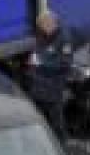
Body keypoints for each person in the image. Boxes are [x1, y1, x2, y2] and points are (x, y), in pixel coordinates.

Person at [27, 10, 78, 140]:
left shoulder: (64, 38)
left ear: (52, 23)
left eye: (43, 25)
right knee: (39, 114)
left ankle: (62, 142)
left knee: (56, 117)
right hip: (39, 82)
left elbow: (65, 62)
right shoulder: (42, 34)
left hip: (54, 85)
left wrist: (42, 62)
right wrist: (33, 61)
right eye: (40, 26)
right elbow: (37, 50)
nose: (42, 28)